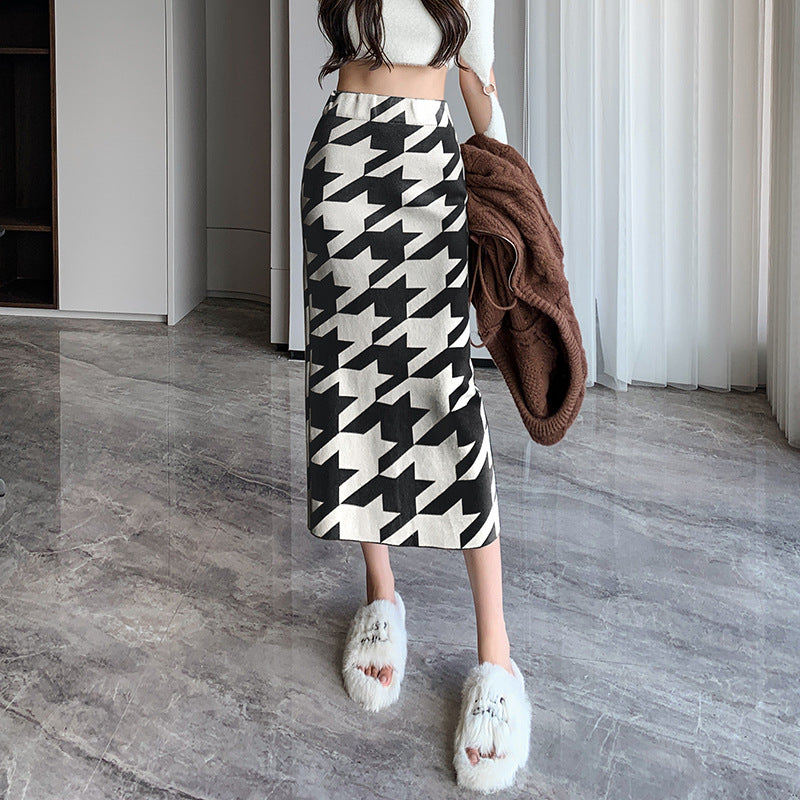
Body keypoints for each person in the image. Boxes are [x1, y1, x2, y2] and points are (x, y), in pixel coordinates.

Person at [300, 0, 532, 792]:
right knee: (349, 387)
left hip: (427, 171)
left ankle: (497, 660)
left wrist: (509, 193)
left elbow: (475, 74)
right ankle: (381, 596)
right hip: (340, 168)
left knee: (445, 396)